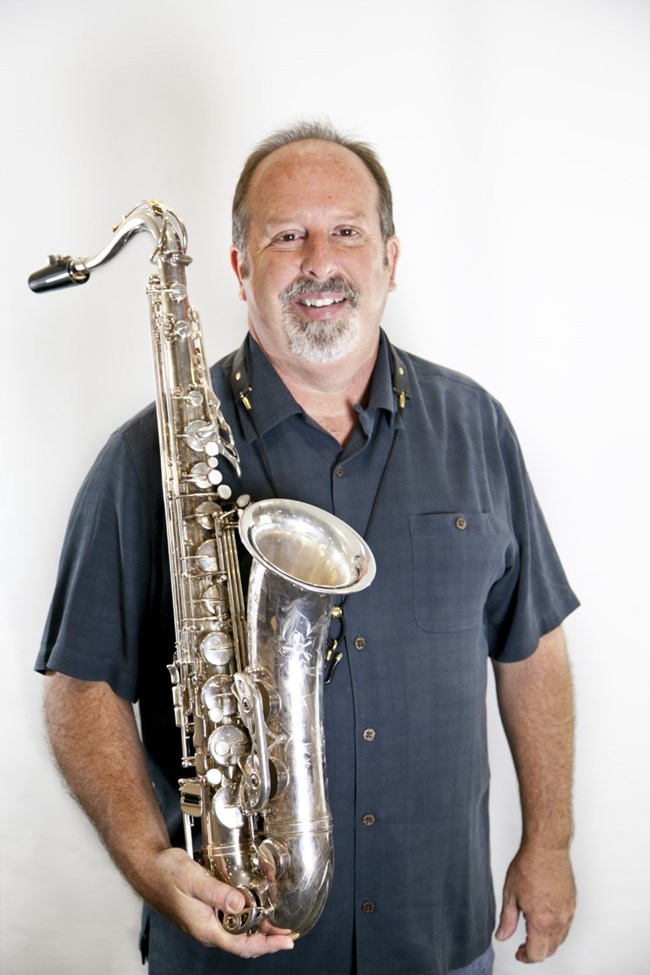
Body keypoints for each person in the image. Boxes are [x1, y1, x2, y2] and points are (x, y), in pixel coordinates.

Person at [36, 121, 579, 975]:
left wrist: (549, 841)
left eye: (347, 231)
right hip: (236, 951)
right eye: (286, 235)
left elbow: (533, 643)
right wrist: (147, 858)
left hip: (438, 940)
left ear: (391, 258)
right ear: (240, 265)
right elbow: (80, 687)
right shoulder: (145, 457)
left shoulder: (477, 426)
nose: (319, 261)